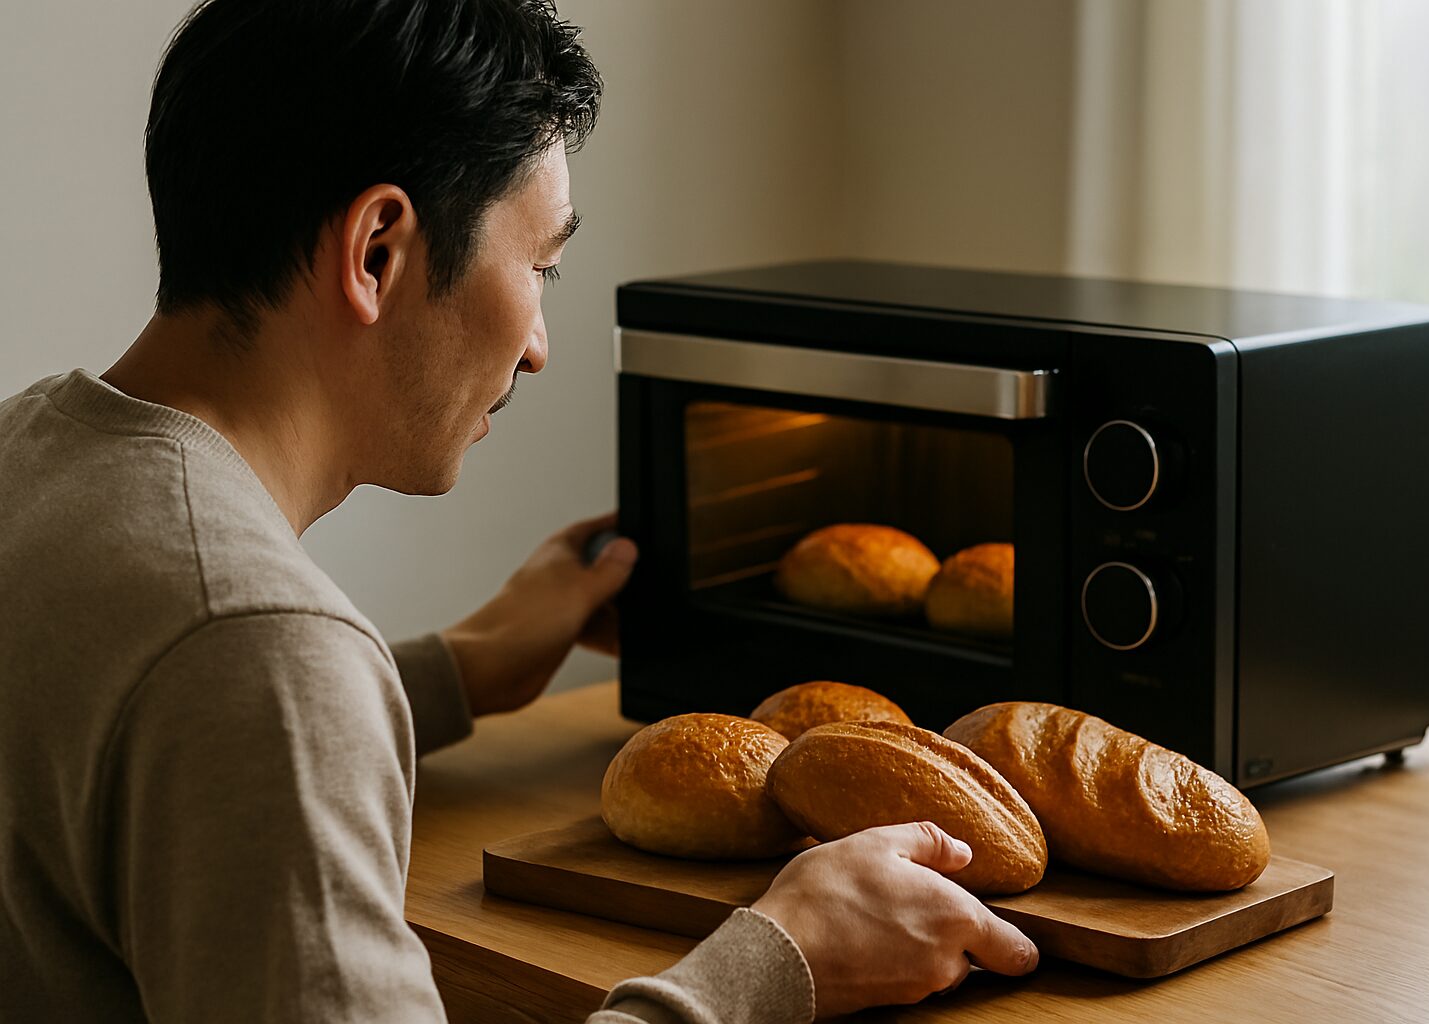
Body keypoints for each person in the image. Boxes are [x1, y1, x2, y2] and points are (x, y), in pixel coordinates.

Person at [0, 1, 1039, 1020]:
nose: (538, 344)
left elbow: (116, 737)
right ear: (376, 252)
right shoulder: (261, 651)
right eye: (539, 265)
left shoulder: (31, 451)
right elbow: (244, 677)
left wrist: (455, 666)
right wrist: (779, 962)